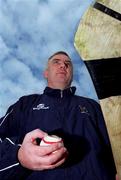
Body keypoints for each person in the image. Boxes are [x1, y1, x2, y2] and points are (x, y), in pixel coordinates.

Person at [0, 51, 116, 179]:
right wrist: (18, 156)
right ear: (46, 73)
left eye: (68, 64)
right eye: (56, 62)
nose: (63, 65)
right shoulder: (25, 104)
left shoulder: (93, 106)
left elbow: (115, 145)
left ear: (71, 74)